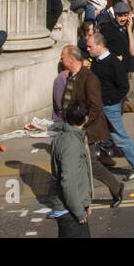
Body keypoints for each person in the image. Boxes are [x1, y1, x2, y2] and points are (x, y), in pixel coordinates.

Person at [58, 46, 124, 207]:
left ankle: (115, 188)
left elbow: (96, 108)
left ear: (72, 60)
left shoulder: (89, 79)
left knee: (89, 164)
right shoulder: (72, 76)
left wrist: (81, 127)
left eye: (62, 57)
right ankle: (74, 198)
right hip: (71, 129)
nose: (60, 60)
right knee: (76, 164)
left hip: (84, 130)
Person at [85, 31, 134, 180]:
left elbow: (124, 87)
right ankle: (97, 161)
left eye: (90, 46)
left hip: (109, 106)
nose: (87, 49)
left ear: (100, 46)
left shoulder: (113, 63)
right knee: (95, 135)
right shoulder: (97, 62)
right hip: (100, 105)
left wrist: (112, 102)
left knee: (119, 136)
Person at [49, 99, 94, 238]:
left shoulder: (61, 137)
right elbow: (68, 182)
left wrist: (86, 203)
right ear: (85, 119)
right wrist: (79, 211)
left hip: (70, 208)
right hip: (70, 211)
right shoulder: (72, 145)